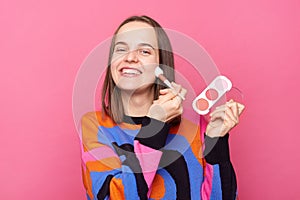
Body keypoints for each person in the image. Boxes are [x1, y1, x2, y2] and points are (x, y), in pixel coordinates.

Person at [79, 15, 245, 200]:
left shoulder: (193, 124)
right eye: (121, 49)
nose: (130, 57)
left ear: (161, 66)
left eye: (144, 51)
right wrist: (154, 127)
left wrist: (216, 144)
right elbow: (112, 196)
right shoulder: (96, 126)